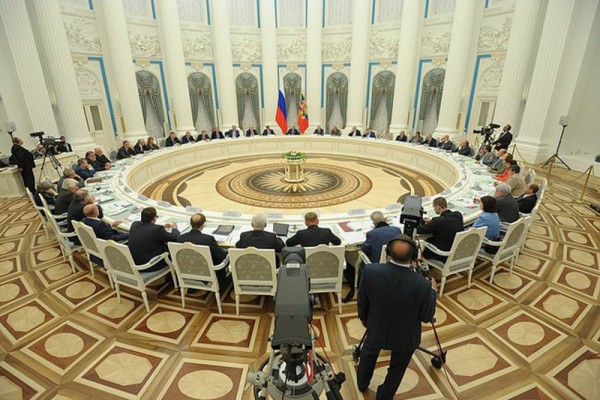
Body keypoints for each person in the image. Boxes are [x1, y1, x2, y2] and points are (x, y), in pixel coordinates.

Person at [357, 235, 437, 398]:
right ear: (413, 257)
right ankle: (385, 396)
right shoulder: (423, 284)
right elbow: (426, 316)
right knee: (397, 368)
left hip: (376, 328)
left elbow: (362, 300)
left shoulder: (371, 271)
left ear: (388, 253)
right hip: (405, 336)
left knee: (367, 355)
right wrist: (433, 292)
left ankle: (362, 383)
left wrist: (365, 320)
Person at [342, 211, 402, 303]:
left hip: (376, 265)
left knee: (356, 262)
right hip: (395, 262)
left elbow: (364, 249)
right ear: (385, 219)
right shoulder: (397, 230)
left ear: (374, 223)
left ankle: (358, 288)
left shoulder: (372, 234)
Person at [178, 213, 229, 285]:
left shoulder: (180, 238)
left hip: (189, 271)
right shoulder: (208, 239)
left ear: (190, 223)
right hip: (209, 274)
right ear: (203, 224)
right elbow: (222, 256)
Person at [128, 207, 180, 271]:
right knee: (173, 249)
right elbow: (174, 237)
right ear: (154, 218)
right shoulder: (156, 230)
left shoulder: (134, 224)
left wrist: (162, 227)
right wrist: (174, 228)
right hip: (151, 265)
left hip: (135, 263)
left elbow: (148, 231)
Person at [416, 197, 464, 262]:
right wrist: (432, 221)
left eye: (434, 207)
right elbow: (446, 223)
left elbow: (419, 230)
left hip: (442, 254)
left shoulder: (437, 221)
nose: (434, 209)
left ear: (438, 207)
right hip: (456, 252)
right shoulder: (458, 215)